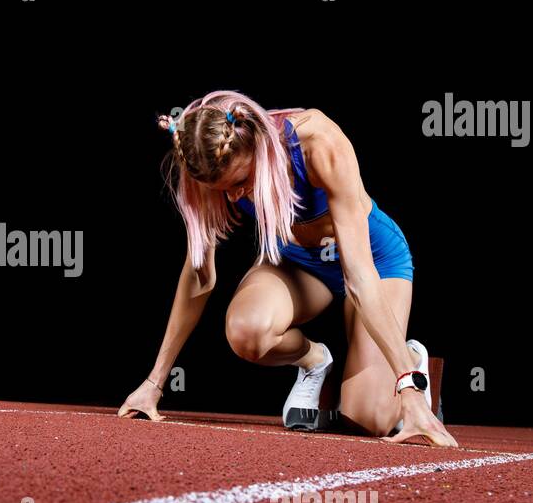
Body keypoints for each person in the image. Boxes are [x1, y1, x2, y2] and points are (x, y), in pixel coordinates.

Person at [118, 89, 457, 447]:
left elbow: (358, 276)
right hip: (298, 263)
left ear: (257, 149)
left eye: (239, 183)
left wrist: (408, 387)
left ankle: (414, 360)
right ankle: (315, 362)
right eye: (222, 190)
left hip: (372, 259)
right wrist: (154, 383)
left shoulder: (318, 143)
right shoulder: (205, 163)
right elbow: (199, 275)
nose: (233, 197)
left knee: (369, 417)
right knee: (248, 331)